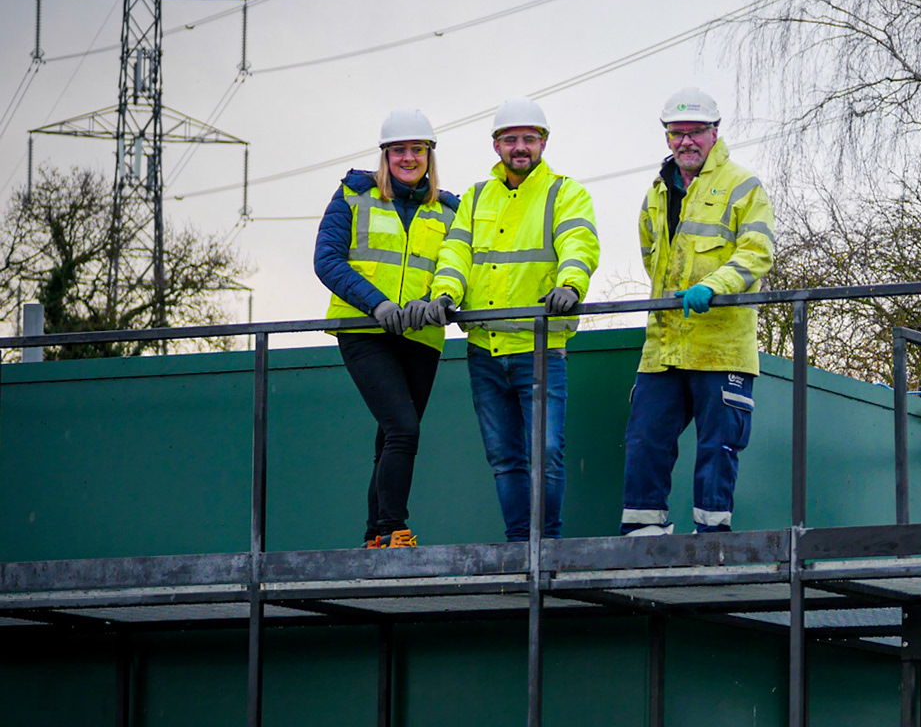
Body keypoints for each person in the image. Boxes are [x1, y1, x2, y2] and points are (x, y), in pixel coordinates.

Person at [430, 97, 598, 542]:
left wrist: (571, 285)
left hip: (539, 347)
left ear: (543, 142)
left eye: (528, 138)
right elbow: (456, 252)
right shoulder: (476, 197)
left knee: (546, 453)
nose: (519, 147)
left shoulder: (565, 192)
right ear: (496, 146)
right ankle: (520, 545)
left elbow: (578, 241)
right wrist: (445, 293)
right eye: (510, 139)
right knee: (504, 458)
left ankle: (548, 546)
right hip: (485, 349)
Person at [619, 87, 777, 537]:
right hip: (664, 347)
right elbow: (654, 255)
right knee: (645, 439)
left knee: (718, 445)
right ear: (667, 137)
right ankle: (642, 538)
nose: (686, 141)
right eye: (677, 133)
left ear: (715, 132)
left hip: (720, 347)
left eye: (695, 132)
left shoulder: (743, 185)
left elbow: (757, 252)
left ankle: (711, 539)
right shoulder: (656, 193)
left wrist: (713, 284)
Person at [313, 108, 461, 549]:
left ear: (430, 156)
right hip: (364, 331)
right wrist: (376, 304)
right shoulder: (353, 194)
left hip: (422, 335)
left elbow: (457, 266)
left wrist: (436, 300)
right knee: (403, 429)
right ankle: (396, 530)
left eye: (418, 150)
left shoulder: (450, 209)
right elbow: (327, 259)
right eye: (400, 150)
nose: (409, 158)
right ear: (385, 154)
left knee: (390, 437)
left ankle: (375, 535)